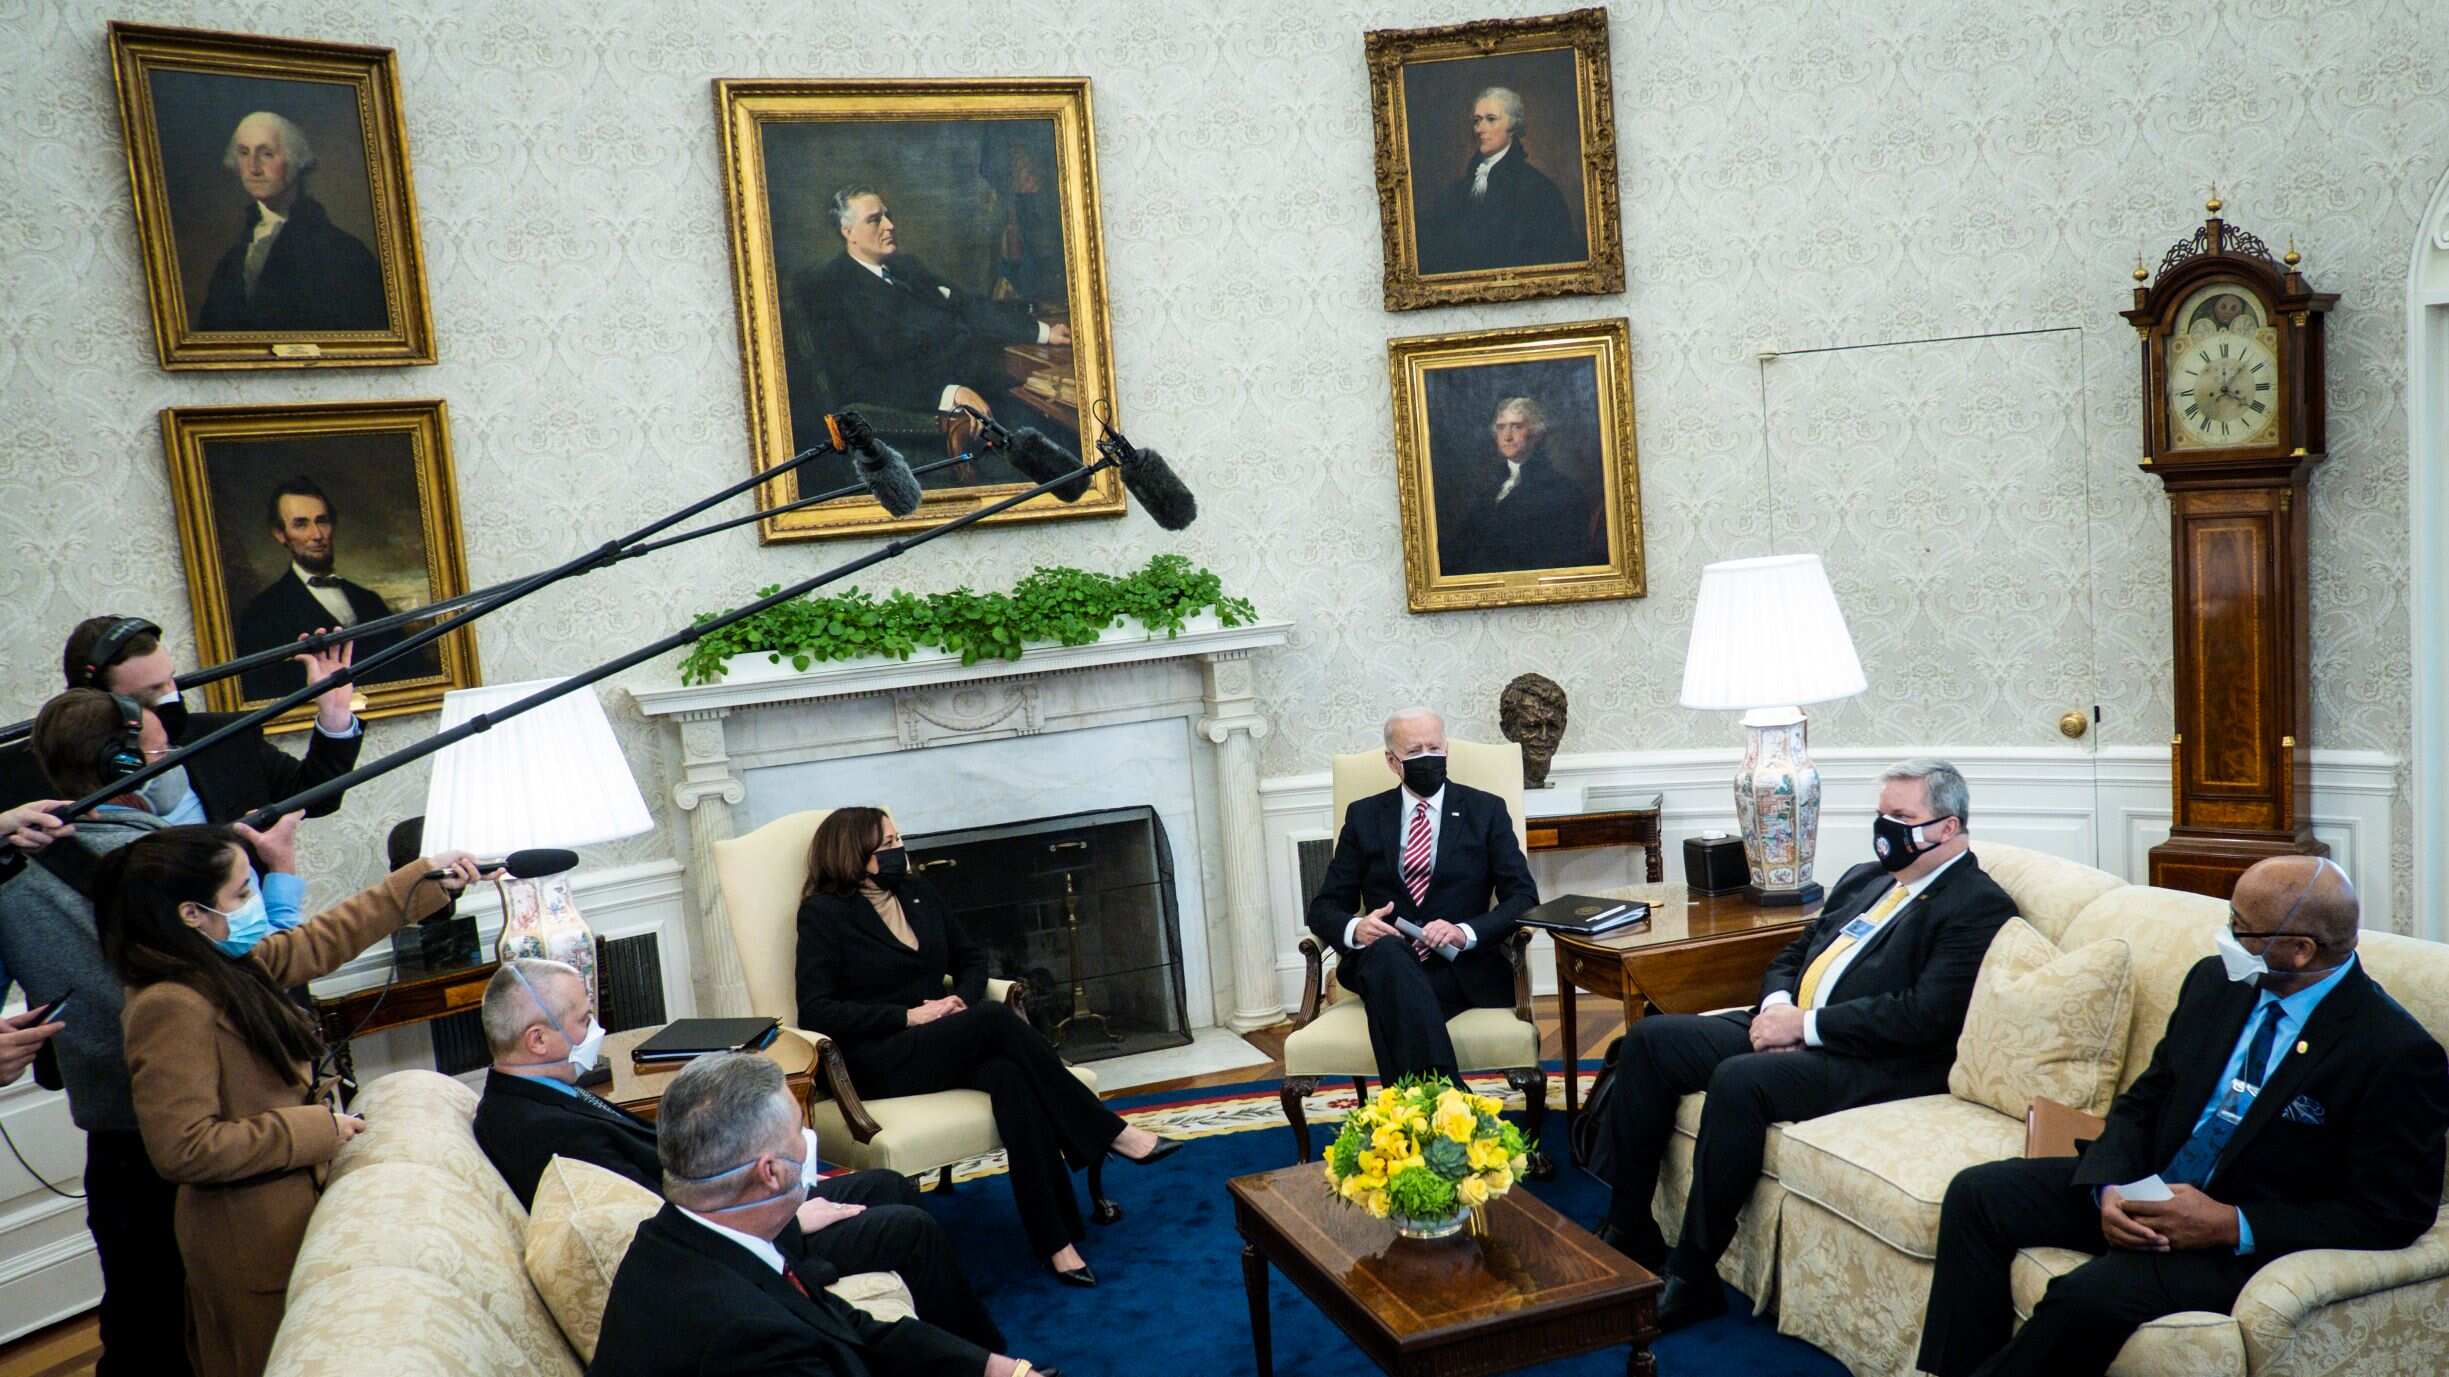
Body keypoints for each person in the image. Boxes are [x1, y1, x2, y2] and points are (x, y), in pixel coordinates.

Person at [1915, 856, 2449, 1377]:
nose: (2226, 938)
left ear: (2301, 950)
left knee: (2085, 1297)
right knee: (1977, 1195)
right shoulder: (2215, 983)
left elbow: (2394, 1211)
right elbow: (2146, 1098)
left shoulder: (2392, 1051)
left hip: (2231, 1239)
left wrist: (2230, 1224)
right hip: (2148, 1187)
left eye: (2242, 929)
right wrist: (2110, 1184)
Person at [1593, 759, 2014, 1332]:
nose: (1885, 828)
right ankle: (1629, 1226)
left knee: (1741, 1080)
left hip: (1874, 1061)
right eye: (1881, 814)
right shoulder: (1867, 878)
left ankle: (1692, 1276)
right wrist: (1775, 1010)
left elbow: (1924, 1016)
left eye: (1901, 816)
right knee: (1650, 1040)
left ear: (1947, 827)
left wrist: (1808, 1029)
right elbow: (1794, 953)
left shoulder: (1975, 903)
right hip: (1787, 1021)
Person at [0, 690, 313, 1377]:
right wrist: (282, 880)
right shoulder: (180, 865)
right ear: (128, 760)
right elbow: (259, 976)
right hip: (225, 1140)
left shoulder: (9, 875)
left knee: (142, 1333)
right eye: (158, 746)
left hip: (115, 1151)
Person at [473, 957, 1003, 1350]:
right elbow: (658, 1213)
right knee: (909, 1227)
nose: (597, 1032)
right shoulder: (536, 1129)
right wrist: (790, 1216)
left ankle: (957, 1345)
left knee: (887, 1185)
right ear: (538, 1039)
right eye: (585, 1020)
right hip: (727, 1234)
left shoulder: (542, 1094)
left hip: (724, 1204)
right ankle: (986, 1357)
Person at [104, 825, 481, 1377]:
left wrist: (422, 881)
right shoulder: (169, 1004)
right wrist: (314, 1129)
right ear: (192, 914)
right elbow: (182, 1148)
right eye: (240, 894)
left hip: (287, 1220)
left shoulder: (224, 967)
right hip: (251, 1248)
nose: (255, 903)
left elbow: (320, 939)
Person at [795, 807, 1179, 1287]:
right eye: (887, 845)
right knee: (997, 1020)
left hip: (943, 1041)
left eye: (899, 839)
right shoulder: (824, 915)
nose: (899, 851)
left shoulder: (918, 892)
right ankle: (1110, 1132)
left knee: (1010, 1076)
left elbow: (972, 958)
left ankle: (1055, 1241)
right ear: (853, 854)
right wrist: (909, 1016)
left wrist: (960, 1001)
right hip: (880, 1057)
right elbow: (815, 1010)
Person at [588, 1053, 1061, 1377]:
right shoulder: (749, 1338)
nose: (807, 1144)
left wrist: (992, 1367)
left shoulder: (688, 1236)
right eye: (798, 1131)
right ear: (770, 1172)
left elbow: (840, 1321)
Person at [1303, 708, 1539, 1085]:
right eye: (1415, 751)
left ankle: (1413, 1112)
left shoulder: (1486, 810)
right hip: (1383, 957)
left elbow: (1524, 897)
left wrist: (1465, 931)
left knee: (1394, 1000)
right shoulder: (1364, 817)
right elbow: (1325, 907)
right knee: (1388, 953)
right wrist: (1356, 928)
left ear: (1446, 749)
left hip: (1458, 968)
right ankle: (1451, 1101)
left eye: (1435, 747)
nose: (1428, 757)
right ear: (1392, 762)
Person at [0, 614, 365, 824]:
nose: (171, 701)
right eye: (149, 694)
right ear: (97, 701)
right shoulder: (28, 774)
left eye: (170, 681)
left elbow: (316, 798)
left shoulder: (223, 737)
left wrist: (334, 714)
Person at [790, 187, 1069, 460]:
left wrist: (1043, 332)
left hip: (985, 386)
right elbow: (859, 383)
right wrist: (949, 394)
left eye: (888, 215)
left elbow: (968, 306)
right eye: (875, 220)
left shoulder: (906, 267)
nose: (890, 225)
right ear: (847, 231)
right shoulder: (832, 291)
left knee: (1058, 420)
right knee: (1053, 439)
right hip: (933, 420)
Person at [233, 480, 433, 699]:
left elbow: (413, 670)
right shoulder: (262, 613)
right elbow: (263, 693)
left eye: (322, 521)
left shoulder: (368, 599)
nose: (317, 534)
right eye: (301, 524)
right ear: (280, 534)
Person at [194, 110, 387, 333]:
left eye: (266, 154)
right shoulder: (232, 261)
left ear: (296, 160)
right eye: (244, 153)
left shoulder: (344, 253)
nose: (253, 168)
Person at [1415, 85, 1582, 276]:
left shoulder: (1537, 189)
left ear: (1513, 126)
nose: (1480, 129)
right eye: (1477, 121)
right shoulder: (1459, 190)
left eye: (1491, 119)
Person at [1442, 396, 1607, 576]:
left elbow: (1558, 560)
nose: (1507, 436)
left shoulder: (1563, 491)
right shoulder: (1489, 487)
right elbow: (1462, 546)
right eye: (1500, 427)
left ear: (1536, 434)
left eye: (1517, 426)